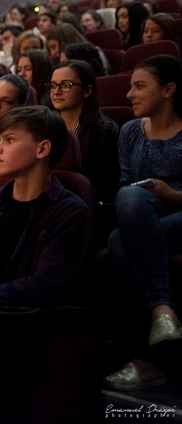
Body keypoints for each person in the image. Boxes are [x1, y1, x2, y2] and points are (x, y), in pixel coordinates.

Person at [105, 55, 182, 391]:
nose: (129, 94)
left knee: (121, 241)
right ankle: (161, 315)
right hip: (145, 216)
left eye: (139, 86)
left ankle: (147, 356)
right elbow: (127, 185)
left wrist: (171, 195)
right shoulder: (130, 131)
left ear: (168, 89)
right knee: (125, 215)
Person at [0, 106, 89, 310]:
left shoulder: (69, 212)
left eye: (9, 140)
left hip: (27, 318)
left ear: (42, 149)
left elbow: (45, 285)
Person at [47, 60, 120, 203]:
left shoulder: (104, 131)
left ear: (87, 91)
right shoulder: (44, 127)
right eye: (53, 85)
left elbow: (103, 187)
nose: (56, 91)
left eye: (66, 85)